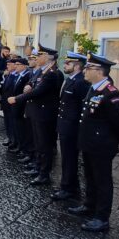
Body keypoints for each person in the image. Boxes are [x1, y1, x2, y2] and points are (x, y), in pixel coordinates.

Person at [68, 53, 119, 232]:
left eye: (89, 68)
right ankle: (89, 204)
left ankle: (102, 217)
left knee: (103, 181)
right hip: (88, 143)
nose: (85, 71)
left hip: (102, 145)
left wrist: (114, 141)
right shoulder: (93, 89)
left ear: (99, 71)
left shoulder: (111, 94)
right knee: (89, 176)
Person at [14, 45, 65, 185]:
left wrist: (18, 98)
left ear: (48, 58)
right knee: (38, 142)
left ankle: (44, 173)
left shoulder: (53, 73)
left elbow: (38, 91)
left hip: (45, 114)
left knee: (44, 144)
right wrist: (28, 86)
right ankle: (38, 166)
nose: (37, 58)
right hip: (36, 111)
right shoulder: (43, 71)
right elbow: (32, 82)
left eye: (40, 55)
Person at [52, 52, 90, 202]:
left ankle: (68, 188)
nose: (64, 65)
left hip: (72, 127)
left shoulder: (81, 82)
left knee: (70, 158)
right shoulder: (71, 80)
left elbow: (82, 108)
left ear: (77, 65)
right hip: (65, 124)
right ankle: (68, 185)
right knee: (67, 158)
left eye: (68, 63)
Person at [8, 58, 32, 156]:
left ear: (23, 66)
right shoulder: (18, 75)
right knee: (16, 127)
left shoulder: (27, 76)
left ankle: (22, 147)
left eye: (17, 64)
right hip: (15, 105)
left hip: (21, 106)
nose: (15, 66)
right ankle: (18, 144)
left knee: (21, 129)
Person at [0, 59, 20, 149]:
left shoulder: (16, 75)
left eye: (9, 64)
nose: (7, 66)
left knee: (13, 124)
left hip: (13, 104)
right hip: (5, 103)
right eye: (7, 64)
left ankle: (14, 141)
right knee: (7, 122)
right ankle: (10, 139)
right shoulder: (8, 75)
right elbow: (3, 89)